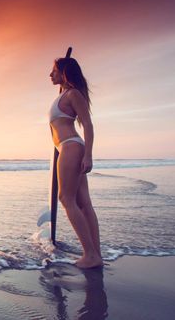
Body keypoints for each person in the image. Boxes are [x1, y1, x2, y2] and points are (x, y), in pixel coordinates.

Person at [49, 50, 103, 268]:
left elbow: (88, 124)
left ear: (63, 73)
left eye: (53, 71)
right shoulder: (63, 95)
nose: (49, 74)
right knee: (83, 202)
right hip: (66, 148)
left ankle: (89, 254)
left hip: (71, 147)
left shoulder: (73, 95)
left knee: (66, 199)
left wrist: (88, 155)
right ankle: (95, 255)